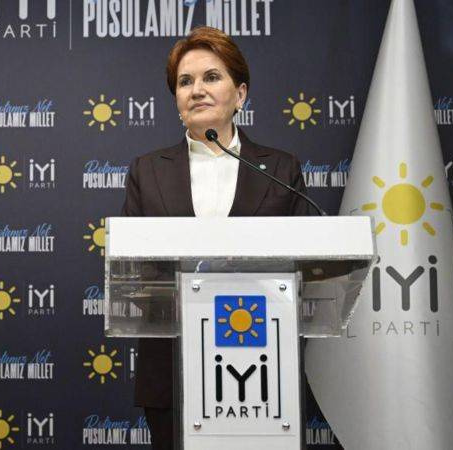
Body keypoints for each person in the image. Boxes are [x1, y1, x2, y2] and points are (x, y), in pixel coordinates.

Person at [121, 26, 309, 449]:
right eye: (185, 82)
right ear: (176, 99)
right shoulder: (147, 171)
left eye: (211, 77)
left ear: (240, 94)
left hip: (263, 370)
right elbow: (133, 274)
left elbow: (306, 273)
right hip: (172, 373)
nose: (197, 90)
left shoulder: (281, 169)